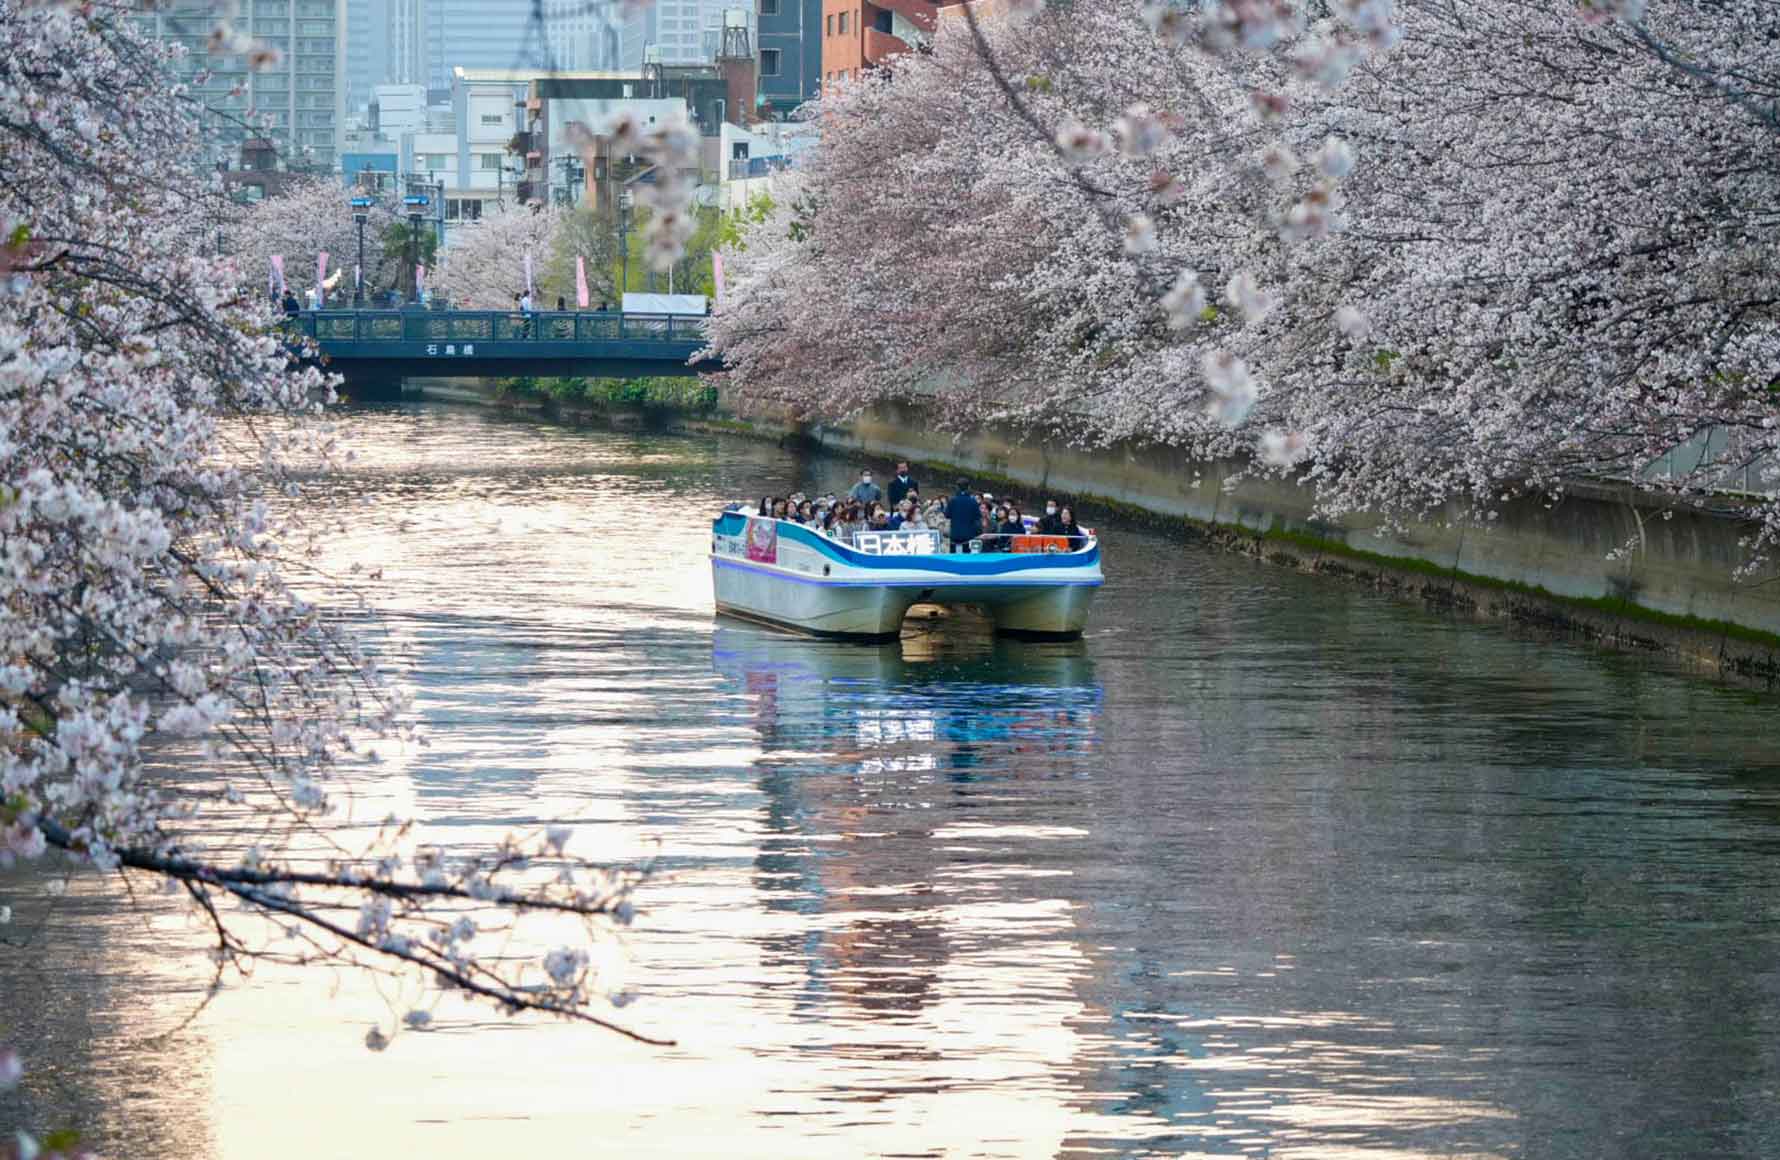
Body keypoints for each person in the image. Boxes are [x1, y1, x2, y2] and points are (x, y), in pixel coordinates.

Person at [945, 478, 982, 552]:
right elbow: (977, 517)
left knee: (954, 559)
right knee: (967, 559)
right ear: (969, 487)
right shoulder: (973, 501)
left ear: (957, 487)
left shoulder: (952, 501)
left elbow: (947, 515)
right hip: (969, 536)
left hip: (955, 535)